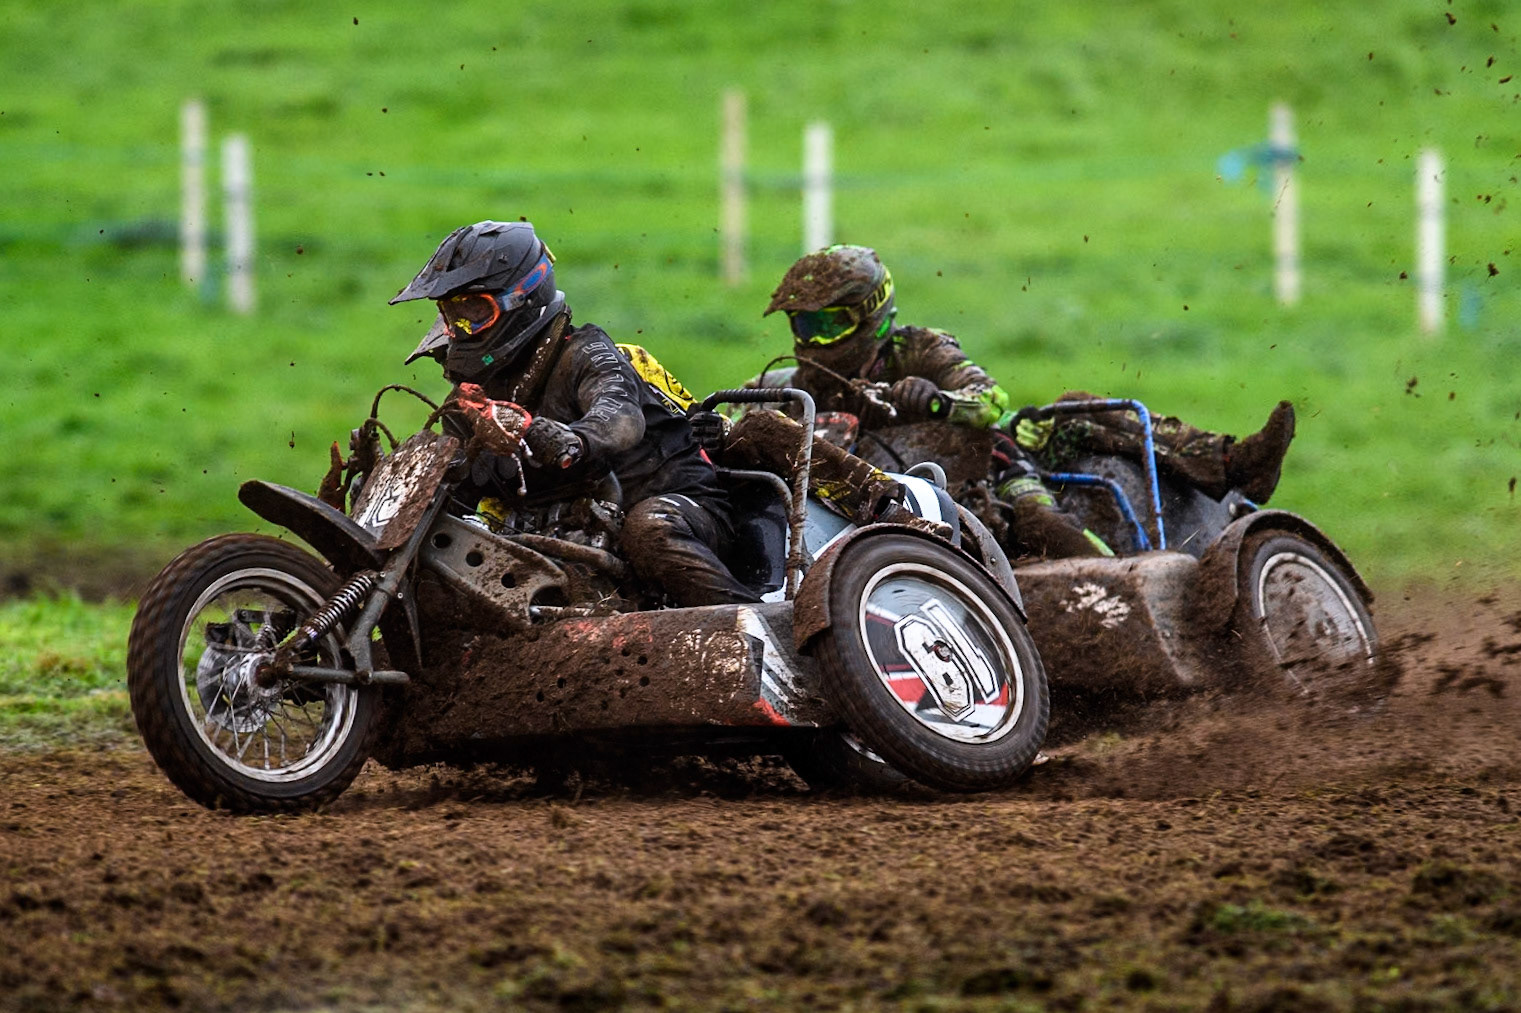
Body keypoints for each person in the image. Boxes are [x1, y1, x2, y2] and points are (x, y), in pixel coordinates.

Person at [761, 244, 1296, 560]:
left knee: (1069, 429)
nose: (814, 337)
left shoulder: (920, 347)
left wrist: (938, 404)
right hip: (865, 505)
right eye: (804, 324)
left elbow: (990, 401)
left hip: (984, 469)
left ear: (870, 312)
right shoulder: (791, 383)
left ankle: (1230, 465)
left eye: (828, 323)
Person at [390, 219, 760, 607]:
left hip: (680, 508)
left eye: (474, 312)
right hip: (569, 537)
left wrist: (573, 439)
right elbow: (456, 486)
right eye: (453, 315)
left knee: (650, 530)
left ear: (523, 297)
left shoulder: (585, 351)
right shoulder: (472, 401)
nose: (462, 329)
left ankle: (759, 633)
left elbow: (620, 418)